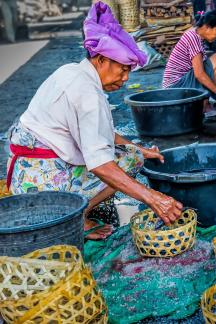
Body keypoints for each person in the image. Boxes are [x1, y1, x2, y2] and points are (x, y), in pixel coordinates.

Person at [5, 2, 183, 240]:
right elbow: (100, 164)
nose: (125, 78)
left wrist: (140, 148)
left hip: (23, 171)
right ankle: (78, 217)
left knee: (132, 153)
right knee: (127, 162)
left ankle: (79, 205)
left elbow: (105, 134)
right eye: (122, 69)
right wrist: (154, 199)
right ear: (100, 59)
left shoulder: (72, 71)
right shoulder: (87, 93)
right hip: (40, 189)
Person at [162, 10, 216, 112]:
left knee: (213, 59)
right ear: (207, 27)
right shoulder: (194, 39)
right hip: (176, 88)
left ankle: (204, 102)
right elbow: (199, 74)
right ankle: (204, 105)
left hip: (174, 85)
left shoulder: (193, 32)